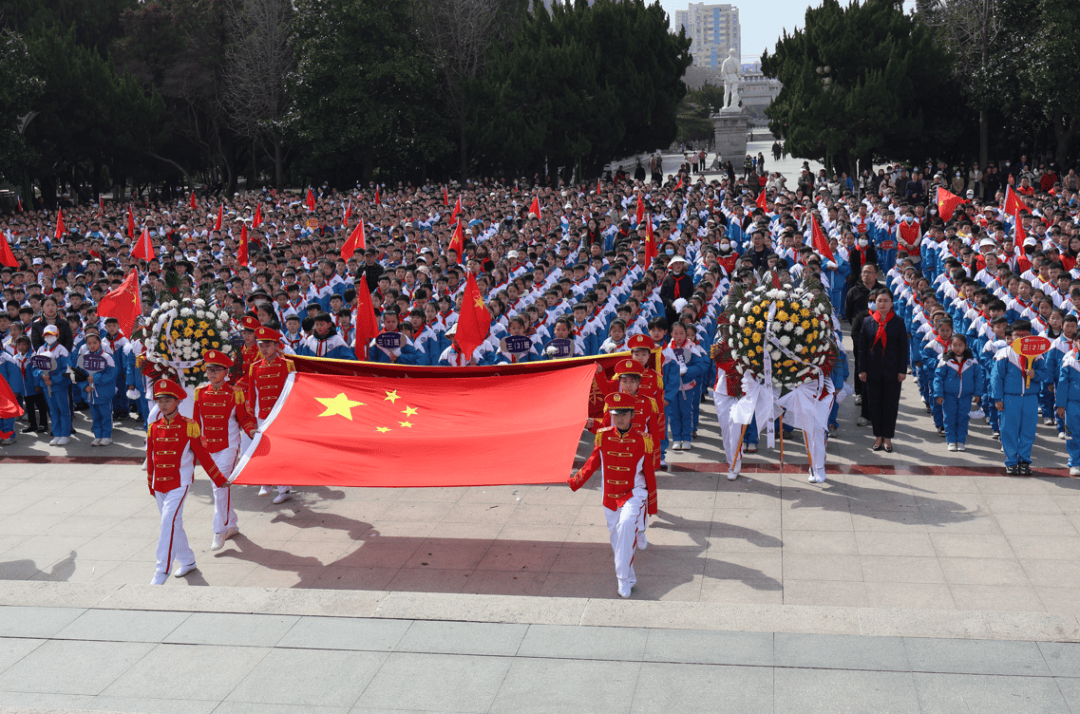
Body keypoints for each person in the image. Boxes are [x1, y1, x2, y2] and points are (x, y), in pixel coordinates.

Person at [567, 392, 657, 599]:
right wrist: (574, 481)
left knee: (626, 527)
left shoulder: (644, 440)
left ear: (632, 415)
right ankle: (629, 576)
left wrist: (651, 505)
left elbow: (650, 475)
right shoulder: (604, 436)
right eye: (616, 415)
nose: (620, 419)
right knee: (618, 540)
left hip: (634, 492)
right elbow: (591, 463)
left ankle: (623, 579)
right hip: (610, 496)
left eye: (624, 415)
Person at [146, 377, 227, 585]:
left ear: (177, 401)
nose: (163, 405)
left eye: (167, 401)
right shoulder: (153, 427)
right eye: (159, 401)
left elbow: (203, 454)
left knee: (167, 522)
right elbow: (151, 457)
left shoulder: (189, 426)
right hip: (159, 484)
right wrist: (150, 483)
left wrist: (218, 478)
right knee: (174, 523)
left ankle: (161, 571)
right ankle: (188, 560)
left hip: (179, 483)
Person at [193, 349, 257, 550]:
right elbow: (196, 422)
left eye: (216, 370)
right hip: (208, 447)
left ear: (226, 372)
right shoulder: (200, 392)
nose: (212, 374)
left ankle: (219, 531)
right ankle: (232, 523)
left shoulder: (235, 393)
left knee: (218, 487)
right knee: (220, 488)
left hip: (228, 446)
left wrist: (252, 432)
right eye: (209, 370)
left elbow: (244, 418)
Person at [991, 319, 1051, 475]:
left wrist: (1035, 374)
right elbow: (996, 378)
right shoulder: (1004, 353)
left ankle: (1024, 460)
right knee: (1009, 430)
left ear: (1030, 336)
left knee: (1028, 431)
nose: (1020, 339)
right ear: (1011, 336)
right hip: (1010, 398)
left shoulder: (1037, 356)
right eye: (1017, 335)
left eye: (1024, 335)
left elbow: (1045, 373)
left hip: (1030, 398)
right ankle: (1011, 461)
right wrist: (997, 398)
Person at [246, 326, 297, 502]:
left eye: (268, 345)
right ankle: (268, 481)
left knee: (280, 450)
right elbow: (252, 396)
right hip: (264, 415)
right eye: (261, 346)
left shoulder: (287, 365)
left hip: (282, 414)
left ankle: (282, 487)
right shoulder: (254, 368)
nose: (265, 349)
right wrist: (252, 419)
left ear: (276, 346)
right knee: (265, 448)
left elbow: (293, 391)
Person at [858, 289, 908, 452]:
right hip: (872, 371)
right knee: (875, 404)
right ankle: (878, 436)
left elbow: (903, 349)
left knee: (890, 405)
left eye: (886, 300)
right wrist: (862, 369)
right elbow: (862, 349)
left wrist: (902, 370)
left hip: (892, 372)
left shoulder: (898, 322)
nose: (882, 303)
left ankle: (887, 438)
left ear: (892, 303)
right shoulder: (868, 322)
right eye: (880, 300)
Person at [933, 334, 983, 452]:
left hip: (966, 396)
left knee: (963, 418)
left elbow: (978, 378)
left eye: (960, 345)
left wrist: (977, 393)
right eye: (954, 345)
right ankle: (951, 441)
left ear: (966, 346)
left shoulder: (972, 361)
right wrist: (938, 394)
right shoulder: (945, 361)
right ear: (950, 346)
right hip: (949, 395)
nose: (957, 348)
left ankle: (961, 441)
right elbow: (938, 378)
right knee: (949, 418)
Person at [31, 324, 72, 446]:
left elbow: (67, 369)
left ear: (57, 335)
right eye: (46, 335)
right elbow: (34, 367)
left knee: (63, 410)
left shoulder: (62, 350)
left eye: (51, 335)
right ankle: (57, 433)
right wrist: (41, 375)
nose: (49, 337)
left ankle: (65, 434)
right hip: (46, 386)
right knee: (53, 411)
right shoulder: (40, 350)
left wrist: (53, 380)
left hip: (60, 386)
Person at [78, 331, 118, 446]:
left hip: (103, 393)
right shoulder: (84, 358)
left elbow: (112, 374)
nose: (92, 345)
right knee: (95, 416)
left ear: (100, 343)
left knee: (105, 415)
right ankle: (97, 436)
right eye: (89, 343)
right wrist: (84, 386)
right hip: (90, 394)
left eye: (95, 342)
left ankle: (106, 436)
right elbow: (79, 375)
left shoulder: (106, 357)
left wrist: (95, 378)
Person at [1055, 331, 1080, 476]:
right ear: (1076, 341)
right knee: (1072, 434)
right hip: (1073, 405)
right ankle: (1075, 462)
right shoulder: (1069, 360)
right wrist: (1060, 405)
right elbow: (1062, 385)